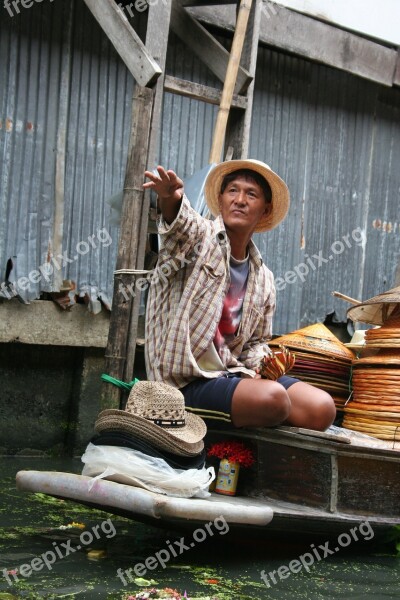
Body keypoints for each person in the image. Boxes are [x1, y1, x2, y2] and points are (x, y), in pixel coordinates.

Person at [143, 160, 336, 431]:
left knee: (320, 409)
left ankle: (253, 405)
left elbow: (255, 343)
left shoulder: (264, 278)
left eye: (251, 194)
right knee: (274, 399)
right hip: (184, 382)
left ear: (265, 209)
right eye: (232, 191)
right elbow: (180, 225)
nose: (240, 200)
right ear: (220, 200)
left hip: (233, 372)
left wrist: (266, 363)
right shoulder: (199, 239)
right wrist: (170, 198)